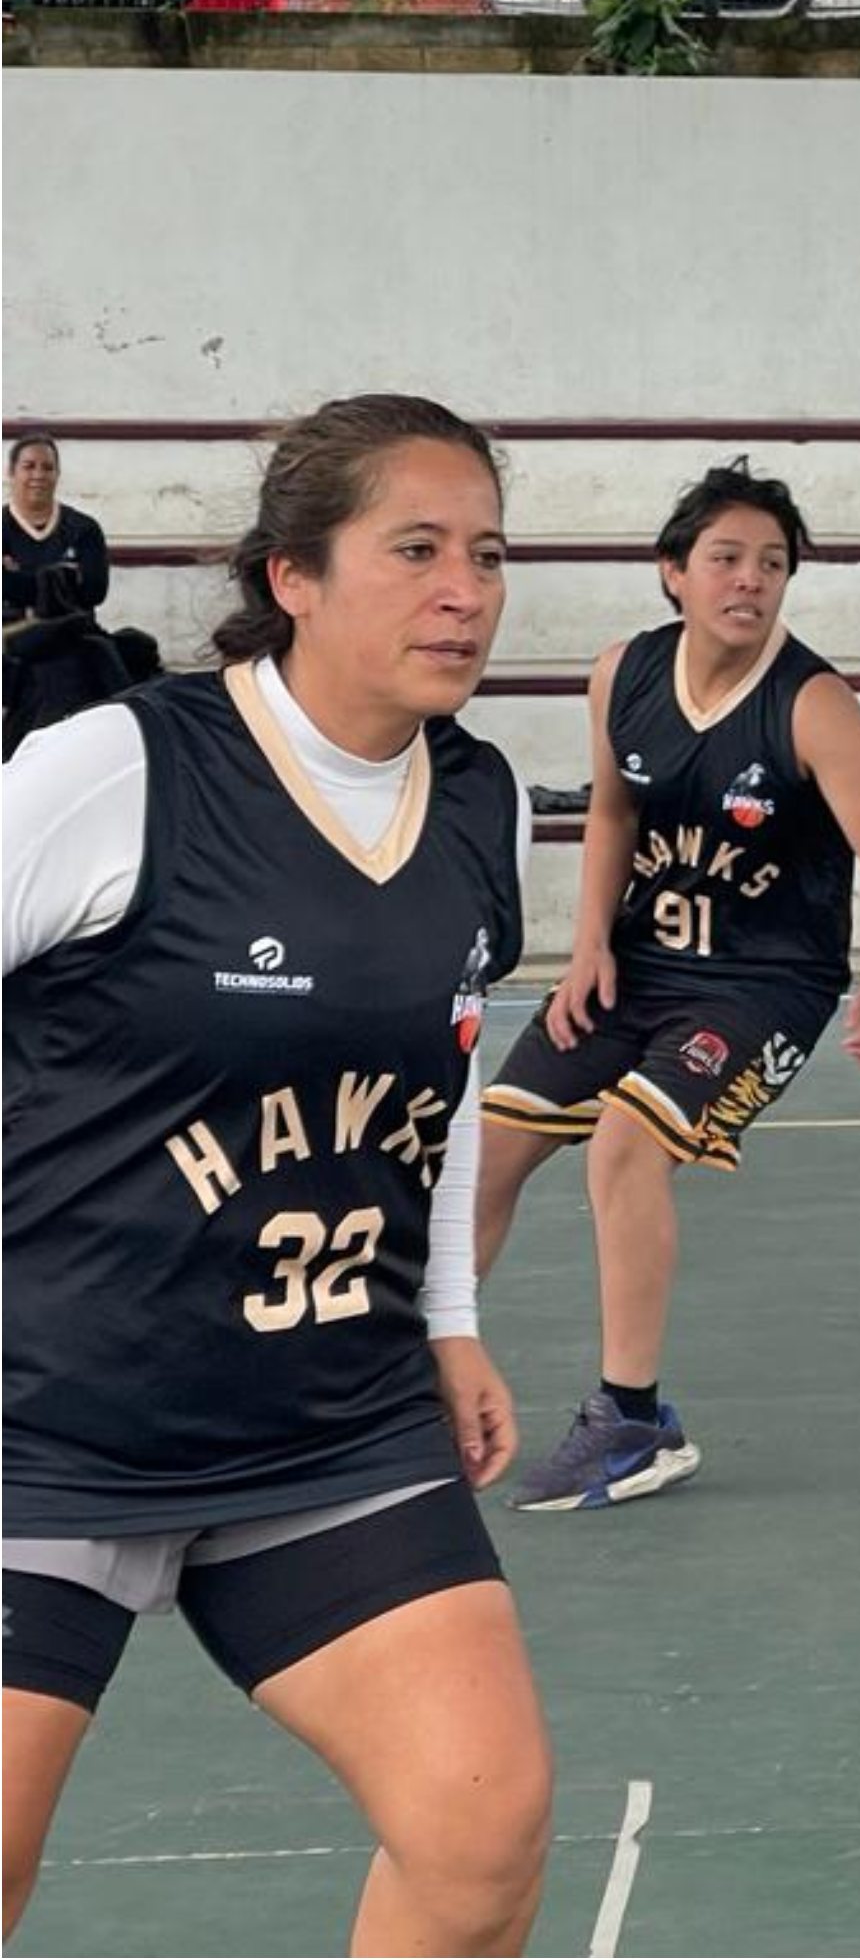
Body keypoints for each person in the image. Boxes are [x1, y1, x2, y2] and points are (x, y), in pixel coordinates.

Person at [2, 394, 551, 1950]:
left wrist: (449, 1317)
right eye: (417, 550)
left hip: (327, 1417)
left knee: (480, 1830)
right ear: (292, 576)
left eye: (488, 554)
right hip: (47, 1420)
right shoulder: (118, 767)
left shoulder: (482, 803)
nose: (465, 591)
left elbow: (441, 1075)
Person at [476, 459, 860, 1512]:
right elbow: (612, 813)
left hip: (762, 986)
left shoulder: (812, 703)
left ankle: (631, 1421)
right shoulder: (622, 672)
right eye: (726, 557)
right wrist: (587, 945)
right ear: (673, 571)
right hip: (638, 965)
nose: (750, 579)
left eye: (772, 563)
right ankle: (405, 1381)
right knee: (484, 1152)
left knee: (626, 1147)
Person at [4, 432, 160, 757]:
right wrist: (58, 579)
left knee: (107, 660)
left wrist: (22, 582)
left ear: (57, 474)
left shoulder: (83, 529)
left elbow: (94, 591)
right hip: (12, 642)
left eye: (47, 467)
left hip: (73, 637)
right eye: (29, 466)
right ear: (11, 472)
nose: (38, 475)